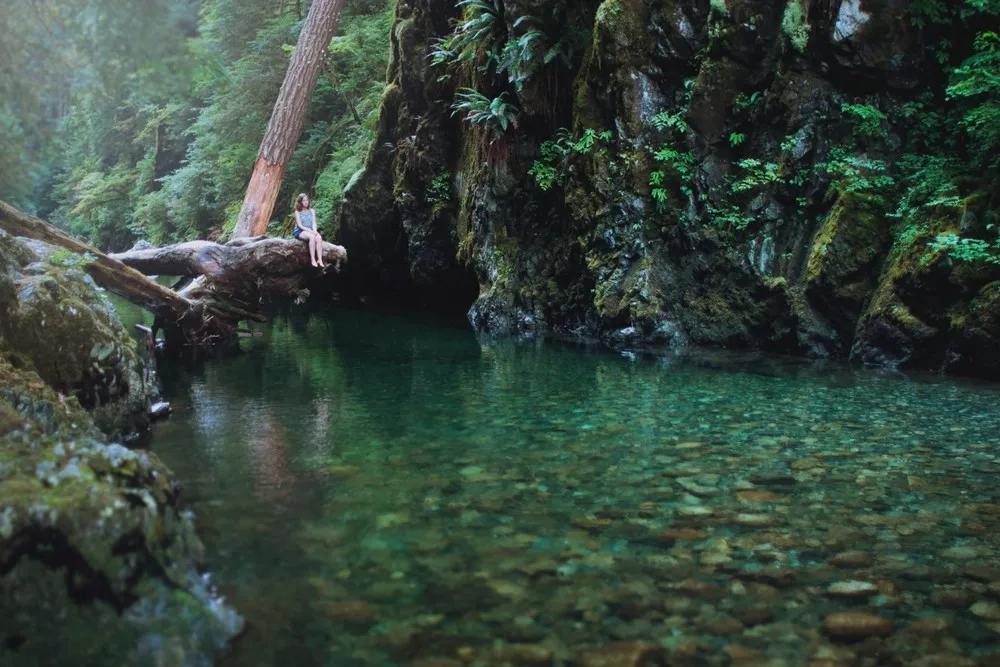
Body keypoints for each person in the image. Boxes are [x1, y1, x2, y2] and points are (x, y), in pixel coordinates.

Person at [293, 193, 325, 268]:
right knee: (312, 237)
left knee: (319, 237)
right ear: (300, 202)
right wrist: (311, 232)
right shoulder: (297, 212)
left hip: (311, 230)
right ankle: (313, 259)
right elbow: (300, 225)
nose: (306, 202)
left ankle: (319, 260)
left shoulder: (312, 211)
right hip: (300, 231)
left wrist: (315, 231)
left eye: (307, 200)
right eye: (303, 201)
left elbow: (314, 223)